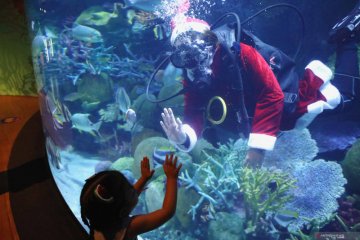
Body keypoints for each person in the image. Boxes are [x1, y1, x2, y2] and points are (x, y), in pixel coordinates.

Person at [159, 3, 360, 168]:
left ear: (209, 40)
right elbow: (194, 112)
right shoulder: (192, 74)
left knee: (345, 98)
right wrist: (182, 136)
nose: (193, 60)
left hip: (287, 102)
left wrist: (257, 149)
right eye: (183, 57)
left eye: (195, 50)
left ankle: (347, 39)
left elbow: (272, 94)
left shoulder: (241, 53)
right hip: (261, 117)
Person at [80, 154, 182, 240]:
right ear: (123, 207)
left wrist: (144, 178)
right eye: (129, 189)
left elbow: (123, 201)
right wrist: (172, 178)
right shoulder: (130, 227)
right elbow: (167, 212)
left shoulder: (98, 219)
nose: (133, 189)